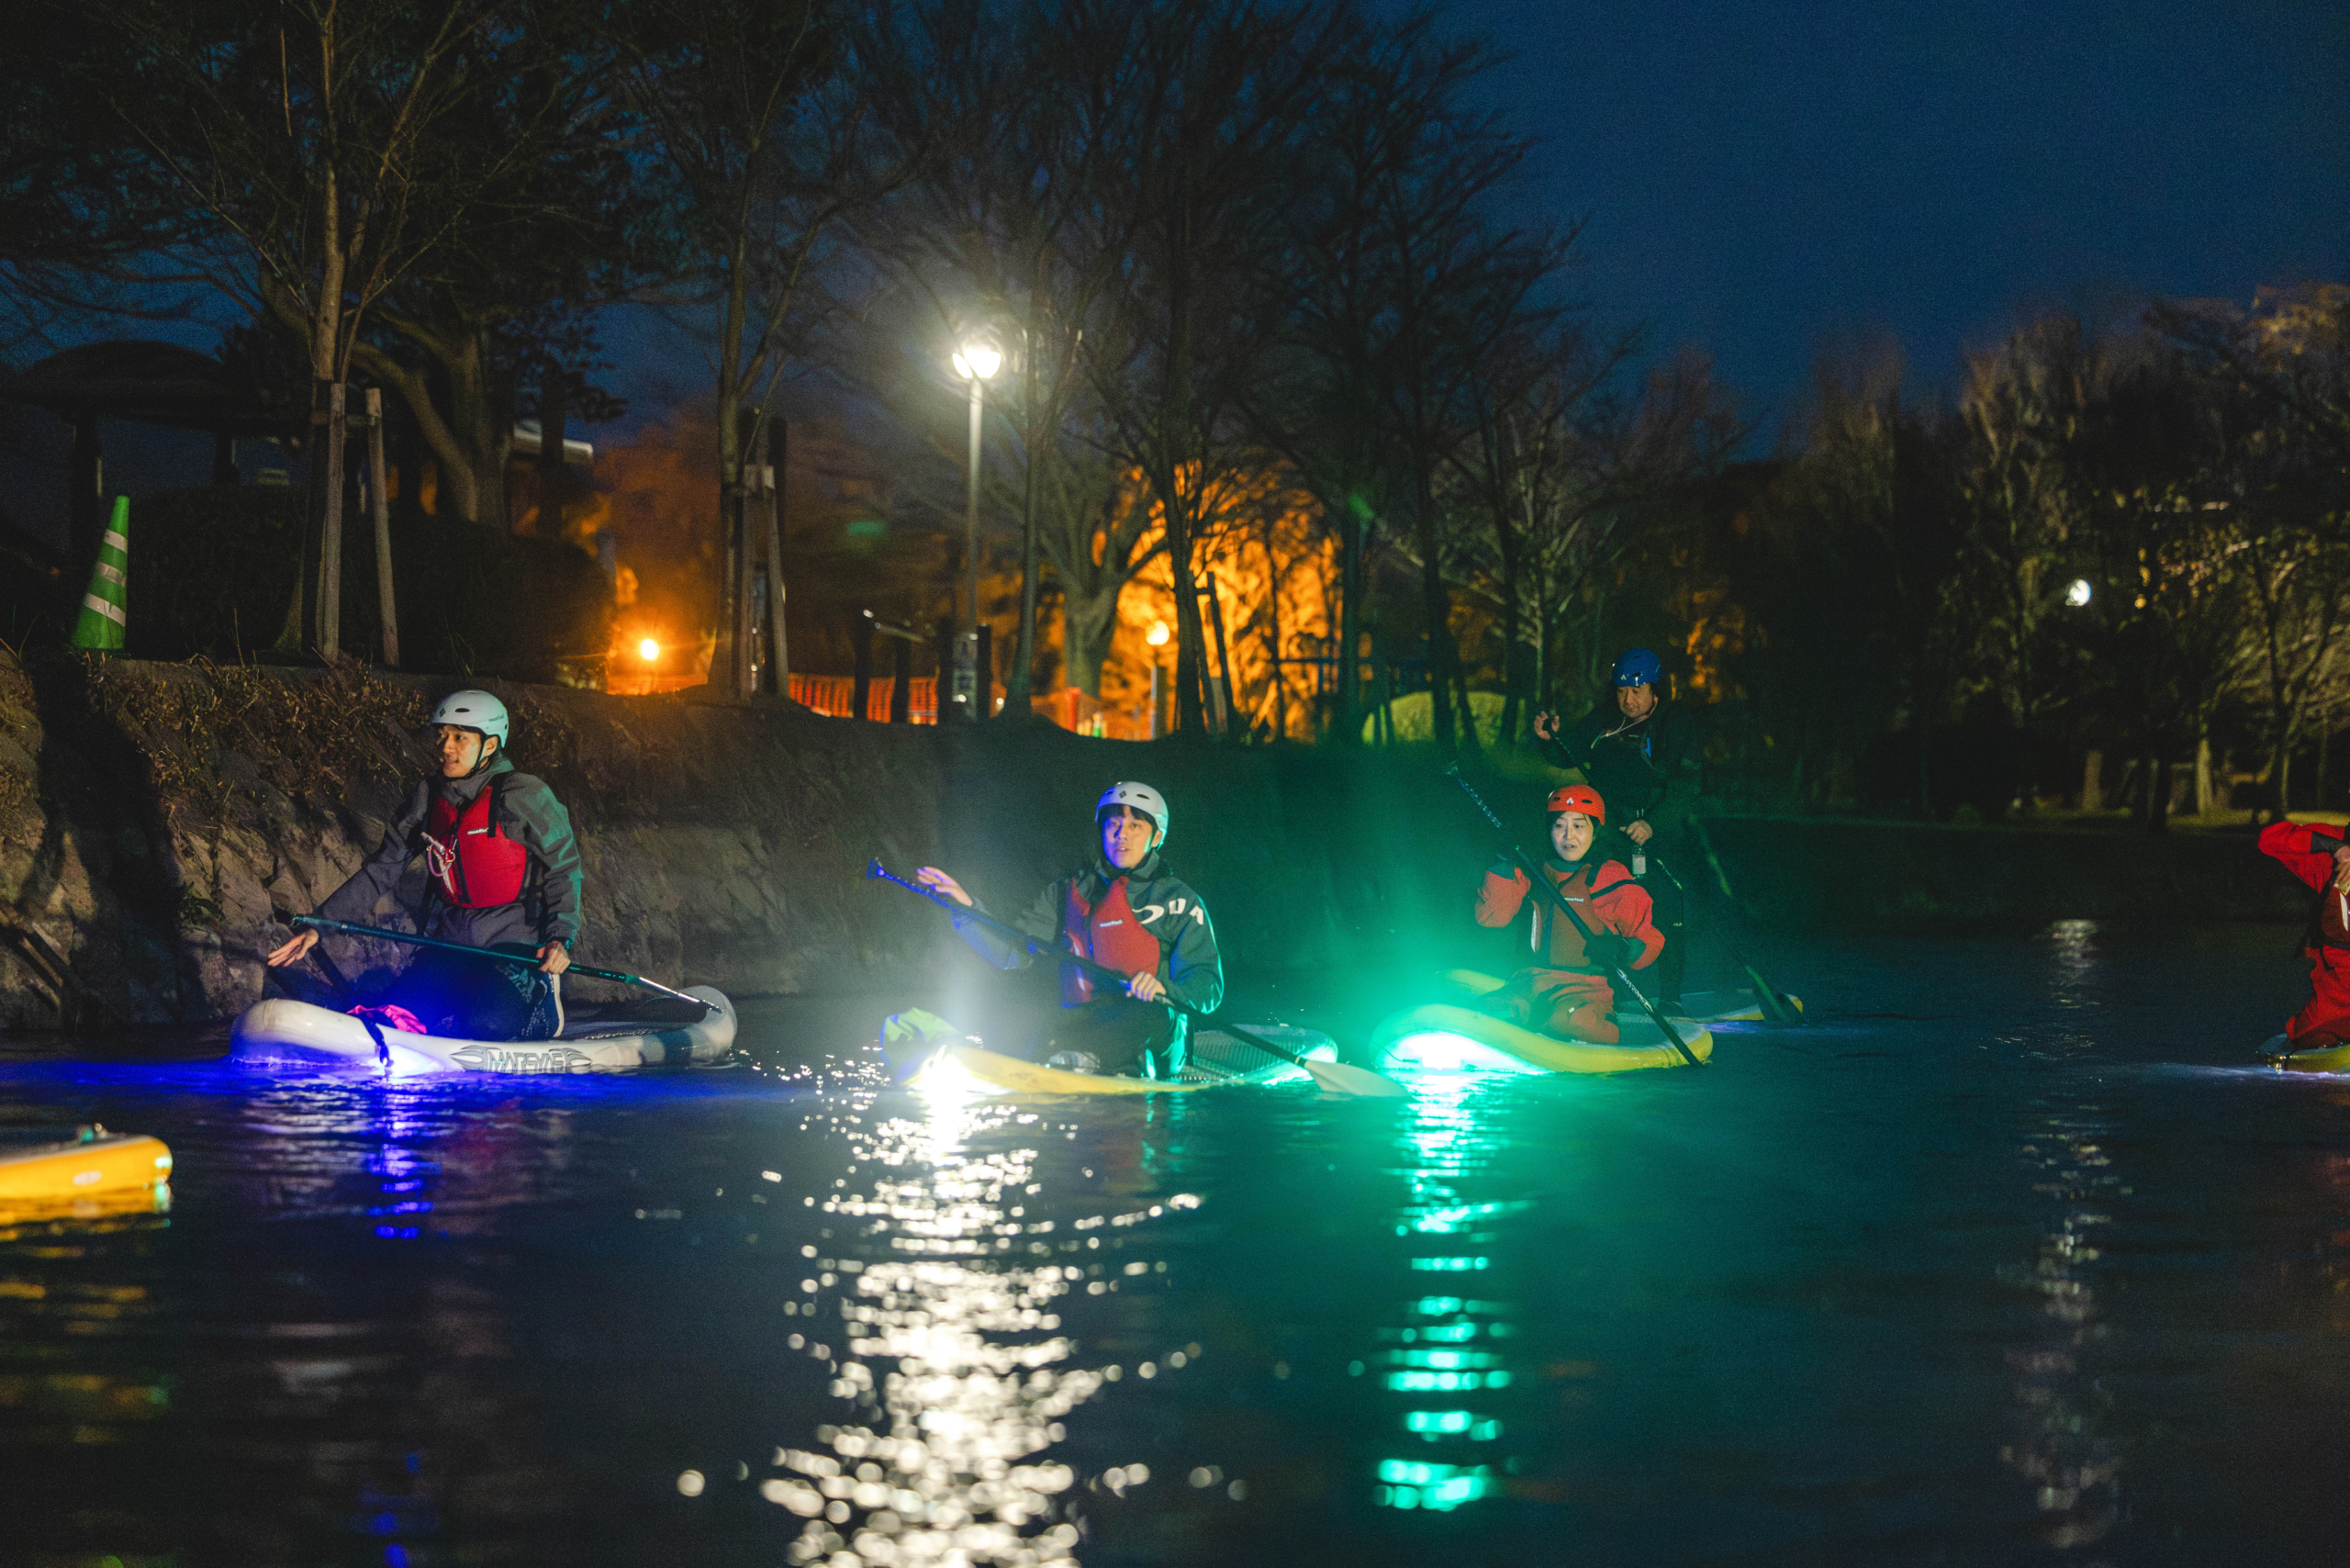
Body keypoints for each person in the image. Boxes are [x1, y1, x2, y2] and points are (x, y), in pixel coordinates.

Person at [264, 689, 582, 1040]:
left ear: (489, 745)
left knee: (484, 1025)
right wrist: (318, 925)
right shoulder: (428, 796)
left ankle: (541, 1000)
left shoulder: (523, 794)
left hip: (516, 946)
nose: (446, 746)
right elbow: (382, 868)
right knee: (396, 1017)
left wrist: (559, 937)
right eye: (443, 735)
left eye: (460, 737)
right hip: (452, 942)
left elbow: (563, 868)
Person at [915, 781, 1224, 1077]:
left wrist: (1164, 989)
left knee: (1152, 1014)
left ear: (1156, 837)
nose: (1121, 835)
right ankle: (1062, 1060)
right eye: (1113, 825)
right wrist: (965, 909)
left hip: (1153, 1027)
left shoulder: (1180, 900)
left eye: (1135, 826)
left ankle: (1091, 1061)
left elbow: (1207, 983)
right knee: (1022, 1013)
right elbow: (1013, 952)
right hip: (1086, 1021)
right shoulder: (1067, 892)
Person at [1532, 647, 1700, 1003]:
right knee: (1610, 906)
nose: (1629, 700)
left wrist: (1652, 824)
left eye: (1638, 692)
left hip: (1660, 831)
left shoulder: (1676, 721)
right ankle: (1616, 993)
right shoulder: (1607, 717)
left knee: (1666, 915)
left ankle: (1671, 997)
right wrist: (1549, 741)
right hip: (1612, 832)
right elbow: (1569, 753)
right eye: (1622, 691)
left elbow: (1687, 786)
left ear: (1656, 689)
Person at [1473, 783, 1665, 1045]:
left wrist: (1623, 948)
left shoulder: (1609, 876)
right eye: (1559, 825)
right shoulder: (1533, 870)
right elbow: (1492, 917)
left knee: (1568, 1020)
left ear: (1596, 831)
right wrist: (1502, 861)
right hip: (1528, 981)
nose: (1568, 836)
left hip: (1586, 988)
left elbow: (1649, 939)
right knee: (1491, 1013)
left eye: (1579, 825)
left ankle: (1601, 1023)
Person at [2258, 813, 2350, 1049]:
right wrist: (2337, 849)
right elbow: (2269, 840)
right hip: (2338, 988)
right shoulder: (2331, 843)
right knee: (2305, 1037)